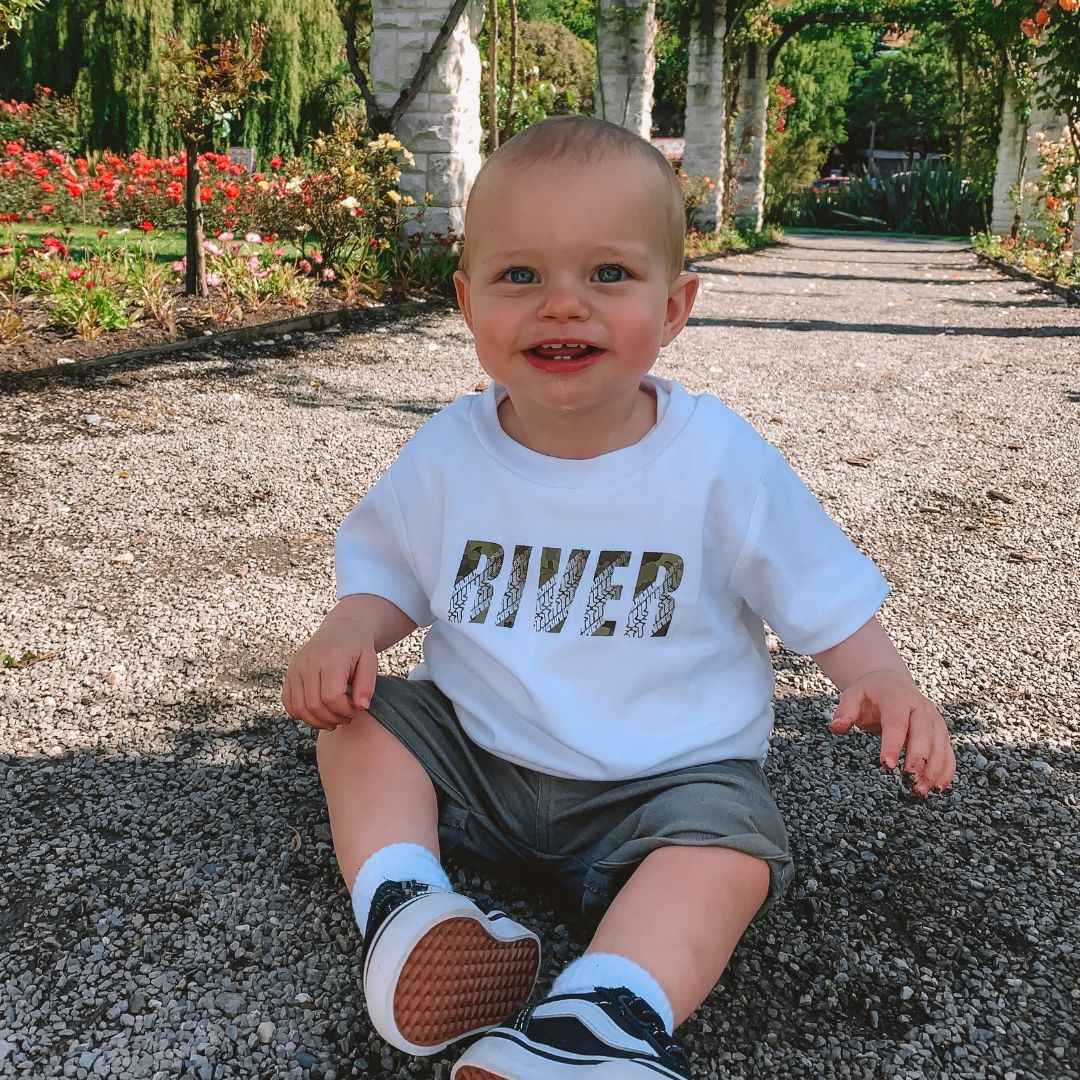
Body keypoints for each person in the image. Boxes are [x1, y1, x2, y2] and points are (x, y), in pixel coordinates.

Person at [281, 115, 956, 1079]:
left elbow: (819, 586)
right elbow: (391, 568)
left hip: (665, 783)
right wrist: (351, 626)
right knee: (360, 723)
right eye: (521, 277)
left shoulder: (717, 463)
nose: (563, 307)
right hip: (480, 756)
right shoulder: (449, 453)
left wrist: (881, 675)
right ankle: (407, 905)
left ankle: (602, 1013)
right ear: (467, 303)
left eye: (608, 275)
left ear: (675, 306)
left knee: (731, 850)